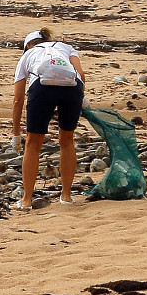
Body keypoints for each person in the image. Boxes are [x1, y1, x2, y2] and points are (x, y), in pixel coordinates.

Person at [11, 28, 88, 210]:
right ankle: (66, 196)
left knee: (32, 144)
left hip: (42, 87)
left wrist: (16, 135)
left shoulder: (28, 55)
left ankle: (27, 200)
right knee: (67, 141)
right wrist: (80, 97)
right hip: (72, 87)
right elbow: (81, 76)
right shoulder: (66, 47)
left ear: (28, 45)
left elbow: (18, 99)